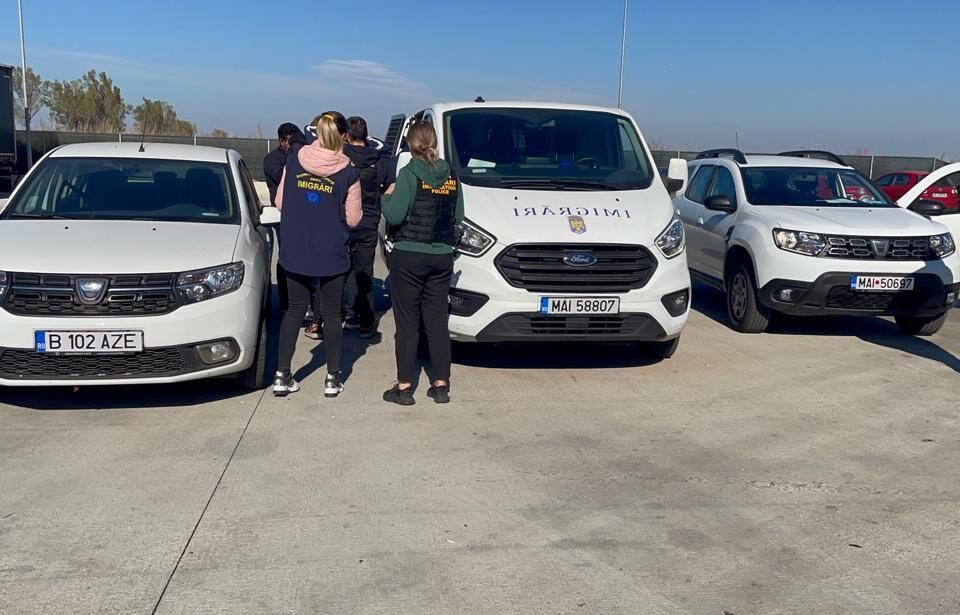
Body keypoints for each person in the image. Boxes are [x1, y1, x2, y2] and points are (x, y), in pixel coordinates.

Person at [273, 114, 361, 398]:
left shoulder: (294, 160)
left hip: (296, 246)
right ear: (343, 136)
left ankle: (282, 374)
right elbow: (353, 218)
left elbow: (280, 201)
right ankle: (332, 378)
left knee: (295, 309)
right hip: (331, 250)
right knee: (332, 313)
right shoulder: (348, 171)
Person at [381, 121, 463, 406]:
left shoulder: (408, 174)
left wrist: (384, 198)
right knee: (437, 322)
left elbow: (394, 215)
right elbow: (458, 216)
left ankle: (404, 387)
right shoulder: (451, 175)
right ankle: (441, 385)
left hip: (409, 256)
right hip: (442, 255)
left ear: (410, 144)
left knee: (407, 323)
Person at [341, 115, 396, 339]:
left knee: (344, 269)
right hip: (369, 220)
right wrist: (380, 202)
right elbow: (391, 185)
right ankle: (366, 321)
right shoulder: (379, 159)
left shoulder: (340, 156)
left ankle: (348, 314)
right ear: (366, 135)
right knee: (364, 270)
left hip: (343, 220)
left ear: (346, 135)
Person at [263, 123, 306, 312]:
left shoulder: (301, 156)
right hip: (282, 214)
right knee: (286, 257)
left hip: (302, 213)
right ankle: (286, 300)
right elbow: (289, 181)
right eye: (291, 141)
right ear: (282, 141)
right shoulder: (273, 160)